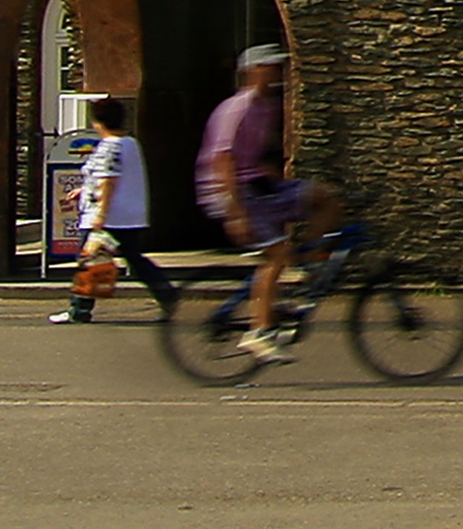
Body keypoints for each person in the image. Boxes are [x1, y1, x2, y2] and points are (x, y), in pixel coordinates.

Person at [196, 44, 336, 364]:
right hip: (233, 190)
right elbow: (223, 160)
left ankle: (306, 267)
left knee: (326, 199)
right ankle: (257, 333)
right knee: (276, 254)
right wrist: (235, 213)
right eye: (271, 67)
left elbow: (255, 156)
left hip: (260, 184)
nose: (277, 73)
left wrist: (279, 181)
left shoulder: (267, 107)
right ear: (254, 71)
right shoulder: (237, 108)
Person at [50, 95, 179, 324]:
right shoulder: (130, 143)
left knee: (88, 261)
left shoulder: (109, 147)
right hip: (130, 215)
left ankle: (78, 310)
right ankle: (167, 294)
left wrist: (100, 212)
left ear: (97, 123)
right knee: (135, 260)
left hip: (107, 217)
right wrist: (84, 189)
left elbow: (108, 180)